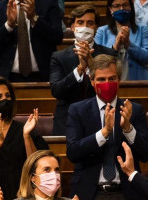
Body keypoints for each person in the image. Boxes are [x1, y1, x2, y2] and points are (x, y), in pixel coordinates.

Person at [65, 54, 148, 200]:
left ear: (119, 80)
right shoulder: (77, 110)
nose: (107, 83)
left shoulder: (134, 110)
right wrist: (104, 133)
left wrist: (128, 128)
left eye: (112, 79)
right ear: (92, 81)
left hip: (127, 191)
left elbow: (145, 155)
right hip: (88, 193)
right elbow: (73, 153)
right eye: (101, 79)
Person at [50, 4, 116, 135]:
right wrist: (80, 69)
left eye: (90, 23)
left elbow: (110, 90)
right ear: (73, 27)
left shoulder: (109, 54)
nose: (85, 27)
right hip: (66, 121)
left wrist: (91, 65)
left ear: (96, 28)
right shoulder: (59, 57)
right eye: (80, 22)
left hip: (99, 119)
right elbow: (56, 90)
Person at [0, 0, 63, 82]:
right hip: (9, 77)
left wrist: (34, 18)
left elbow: (57, 38)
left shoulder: (48, 3)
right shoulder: (0, 7)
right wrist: (8, 25)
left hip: (42, 75)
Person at [94, 0, 148, 81]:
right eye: (116, 6)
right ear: (110, 9)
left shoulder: (143, 29)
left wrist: (129, 45)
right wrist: (114, 48)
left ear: (131, 7)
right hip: (109, 82)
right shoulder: (102, 31)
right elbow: (97, 60)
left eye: (125, 5)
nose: (121, 9)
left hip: (138, 83)